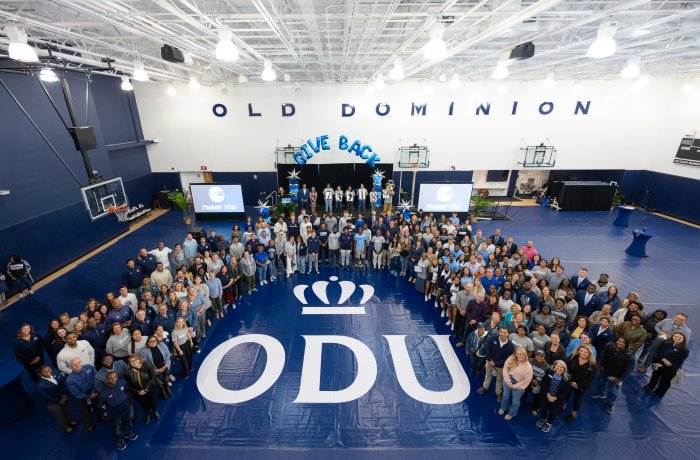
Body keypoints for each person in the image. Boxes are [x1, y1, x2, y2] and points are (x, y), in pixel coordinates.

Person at [590, 337, 635, 413]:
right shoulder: (610, 347)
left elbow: (629, 370)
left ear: (626, 344)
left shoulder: (629, 356)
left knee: (614, 391)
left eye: (623, 342)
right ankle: (601, 393)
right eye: (618, 341)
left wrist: (620, 379)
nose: (620, 343)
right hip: (606, 371)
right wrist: (601, 365)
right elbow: (603, 355)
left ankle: (610, 404)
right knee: (602, 382)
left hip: (617, 376)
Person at [98, 371, 138, 451]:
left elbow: (127, 391)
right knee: (116, 428)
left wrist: (128, 403)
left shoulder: (122, 382)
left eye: (115, 377)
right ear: (107, 380)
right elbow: (100, 405)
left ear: (117, 377)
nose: (113, 380)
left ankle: (127, 433)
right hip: (114, 414)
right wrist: (107, 413)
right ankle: (119, 441)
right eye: (110, 378)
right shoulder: (103, 393)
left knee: (128, 422)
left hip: (126, 408)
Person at [36, 365, 79, 433]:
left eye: (49, 369)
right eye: (45, 372)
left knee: (67, 410)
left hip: (63, 397)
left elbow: (63, 383)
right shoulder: (40, 386)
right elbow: (46, 397)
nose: (48, 372)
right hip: (53, 403)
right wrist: (59, 401)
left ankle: (70, 421)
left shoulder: (55, 373)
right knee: (59, 416)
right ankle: (66, 427)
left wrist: (64, 395)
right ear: (40, 374)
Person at [644, 332, 689, 398]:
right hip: (659, 362)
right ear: (672, 336)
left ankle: (659, 393)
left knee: (665, 381)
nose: (677, 338)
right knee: (655, 374)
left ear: (683, 339)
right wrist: (661, 360)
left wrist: (662, 364)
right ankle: (651, 385)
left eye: (680, 337)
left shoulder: (684, 350)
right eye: (676, 336)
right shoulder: (665, 342)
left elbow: (677, 360)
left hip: (671, 367)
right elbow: (659, 351)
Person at [477, 326, 515, 401]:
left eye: (504, 332)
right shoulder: (492, 339)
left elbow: (507, 359)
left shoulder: (511, 346)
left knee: (499, 379)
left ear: (508, 334)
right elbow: (488, 349)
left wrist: (495, 364)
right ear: (498, 332)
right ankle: (485, 387)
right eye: (501, 332)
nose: (502, 334)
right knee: (487, 375)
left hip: (501, 366)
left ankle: (498, 393)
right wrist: (489, 360)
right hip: (489, 362)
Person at [536, 360, 572, 433]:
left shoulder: (567, 378)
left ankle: (548, 423)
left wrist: (555, 398)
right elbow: (544, 383)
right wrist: (548, 394)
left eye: (561, 367)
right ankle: (543, 419)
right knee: (543, 407)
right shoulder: (549, 371)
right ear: (554, 366)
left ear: (564, 369)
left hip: (558, 399)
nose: (559, 368)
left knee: (553, 411)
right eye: (557, 366)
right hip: (546, 395)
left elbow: (565, 392)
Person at [564, 345, 597, 422]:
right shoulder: (572, 358)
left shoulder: (592, 365)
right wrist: (570, 381)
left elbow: (590, 379)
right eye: (581, 351)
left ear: (589, 353)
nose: (582, 353)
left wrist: (579, 385)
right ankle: (563, 405)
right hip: (570, 381)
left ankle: (573, 413)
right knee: (566, 394)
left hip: (582, 385)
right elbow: (566, 368)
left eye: (585, 352)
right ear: (578, 351)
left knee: (577, 399)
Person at [499, 347, 533, 420]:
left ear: (525, 355)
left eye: (521, 354)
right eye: (517, 353)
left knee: (515, 400)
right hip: (507, 379)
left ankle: (512, 413)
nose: (518, 356)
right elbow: (505, 369)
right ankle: (503, 408)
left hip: (519, 385)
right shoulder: (511, 358)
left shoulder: (528, 367)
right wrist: (508, 381)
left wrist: (514, 386)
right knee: (505, 396)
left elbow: (526, 381)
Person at [65, 357, 97, 432]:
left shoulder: (89, 367)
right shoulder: (69, 380)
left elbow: (96, 377)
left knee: (98, 405)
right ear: (71, 367)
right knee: (85, 412)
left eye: (79, 363)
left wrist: (94, 391)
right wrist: (89, 396)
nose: (77, 365)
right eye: (74, 365)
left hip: (93, 390)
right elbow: (77, 393)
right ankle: (89, 425)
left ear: (81, 362)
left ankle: (100, 416)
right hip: (82, 395)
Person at [126, 354, 159, 424]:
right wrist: (137, 392)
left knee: (153, 401)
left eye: (135, 360)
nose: (134, 362)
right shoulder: (128, 372)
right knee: (143, 404)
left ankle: (155, 411)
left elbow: (153, 378)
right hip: (138, 393)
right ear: (129, 363)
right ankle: (148, 414)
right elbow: (128, 386)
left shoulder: (147, 365)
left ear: (139, 359)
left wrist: (146, 389)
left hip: (150, 389)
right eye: (132, 361)